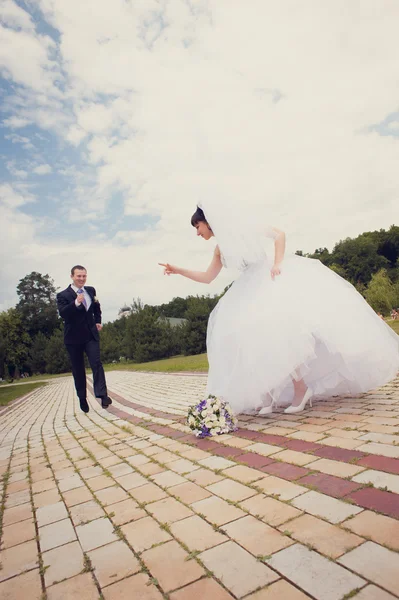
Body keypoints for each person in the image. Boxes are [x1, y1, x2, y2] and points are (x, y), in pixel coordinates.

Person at [159, 204, 399, 416]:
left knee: (280, 333)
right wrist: (178, 269)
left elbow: (279, 235)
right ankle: (268, 395)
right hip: (245, 291)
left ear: (208, 221)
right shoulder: (220, 250)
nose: (197, 232)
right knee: (252, 339)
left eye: (197, 226)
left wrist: (277, 264)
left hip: (268, 279)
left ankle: (300, 389)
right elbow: (207, 277)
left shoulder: (244, 229)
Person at [56, 265, 112, 413]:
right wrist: (76, 303)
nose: (81, 279)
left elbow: (96, 307)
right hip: (73, 339)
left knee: (96, 363)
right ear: (72, 276)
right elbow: (63, 313)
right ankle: (82, 397)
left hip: (90, 335)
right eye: (78, 276)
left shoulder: (91, 290)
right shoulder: (63, 295)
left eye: (84, 276)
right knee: (78, 369)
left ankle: (102, 395)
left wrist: (98, 321)